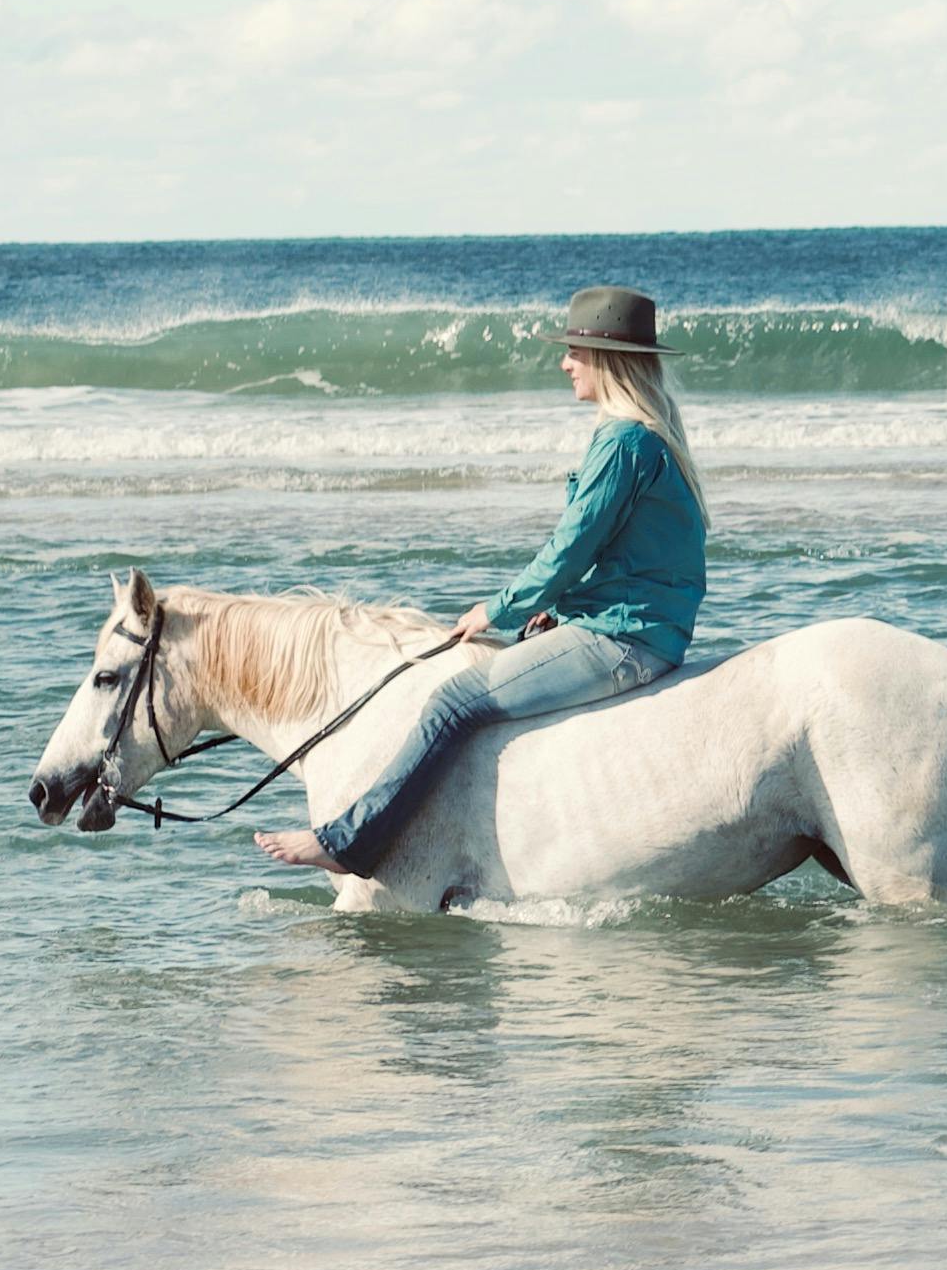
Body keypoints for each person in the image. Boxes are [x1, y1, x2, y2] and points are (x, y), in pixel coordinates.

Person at [259, 284, 708, 882]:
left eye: (575, 351)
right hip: (634, 625)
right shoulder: (648, 437)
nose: (564, 363)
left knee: (449, 703)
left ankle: (351, 841)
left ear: (607, 360)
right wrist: (561, 613)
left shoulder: (623, 442)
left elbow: (570, 549)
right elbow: (621, 557)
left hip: (624, 638)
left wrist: (494, 610)